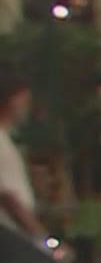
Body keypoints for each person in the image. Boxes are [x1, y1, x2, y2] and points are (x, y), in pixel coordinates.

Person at [0, 71, 47, 243]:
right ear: (13, 101)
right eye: (26, 102)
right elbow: (10, 200)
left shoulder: (7, 141)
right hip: (11, 239)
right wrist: (48, 243)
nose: (27, 108)